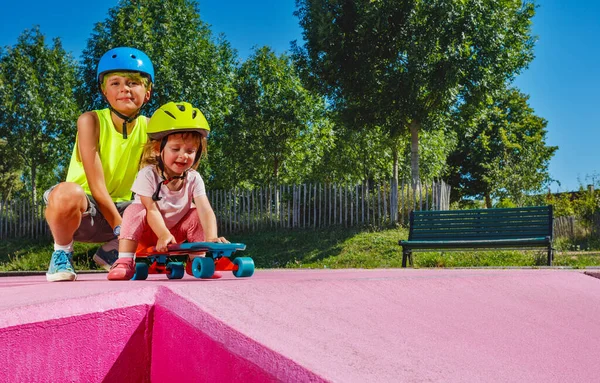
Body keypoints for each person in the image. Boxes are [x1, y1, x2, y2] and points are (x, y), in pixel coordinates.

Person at [44, 47, 154, 282]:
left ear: (147, 92)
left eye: (134, 82)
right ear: (104, 92)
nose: (124, 88)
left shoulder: (152, 128)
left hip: (125, 210)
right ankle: (61, 253)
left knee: (163, 203)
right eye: (115, 83)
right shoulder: (90, 120)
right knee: (66, 192)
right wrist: (122, 227)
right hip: (86, 211)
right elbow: (96, 183)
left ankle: (111, 252)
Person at [107, 101, 228, 280]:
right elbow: (151, 210)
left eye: (190, 150)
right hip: (147, 232)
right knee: (135, 209)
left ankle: (198, 262)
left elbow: (205, 209)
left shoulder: (193, 177)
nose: (183, 155)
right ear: (158, 148)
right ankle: (125, 261)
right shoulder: (148, 174)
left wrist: (211, 238)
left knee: (196, 212)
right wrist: (163, 234)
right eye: (175, 148)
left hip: (176, 233)